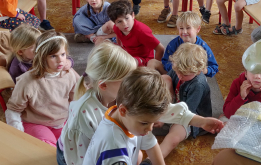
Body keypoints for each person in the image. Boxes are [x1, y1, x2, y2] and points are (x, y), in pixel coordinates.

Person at [58, 41, 224, 165]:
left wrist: (200, 121)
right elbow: (80, 158)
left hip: (108, 148)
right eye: (127, 80)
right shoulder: (84, 114)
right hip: (74, 156)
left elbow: (159, 110)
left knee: (137, 155)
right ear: (104, 85)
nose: (133, 83)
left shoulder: (121, 93)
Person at [83, 68, 170, 165]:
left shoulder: (129, 119)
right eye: (145, 123)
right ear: (123, 111)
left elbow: (152, 145)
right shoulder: (114, 148)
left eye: (153, 122)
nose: (150, 128)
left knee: (139, 155)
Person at [6, 31, 79, 147]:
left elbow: (76, 99)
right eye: (53, 56)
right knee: (47, 149)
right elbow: (13, 109)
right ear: (42, 57)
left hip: (61, 121)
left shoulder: (70, 74)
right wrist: (17, 132)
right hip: (36, 123)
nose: (60, 60)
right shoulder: (27, 81)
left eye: (63, 54)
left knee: (74, 146)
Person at [160, 43, 212, 158]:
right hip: (177, 103)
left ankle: (152, 159)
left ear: (198, 71)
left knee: (173, 137)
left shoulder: (198, 85)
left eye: (184, 74)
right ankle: (163, 107)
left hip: (190, 116)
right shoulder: (179, 69)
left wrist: (164, 117)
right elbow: (169, 80)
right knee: (164, 78)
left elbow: (187, 113)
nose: (179, 76)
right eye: (177, 71)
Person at [148, 11, 218, 77]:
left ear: (198, 29)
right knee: (152, 62)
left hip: (192, 79)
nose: (184, 31)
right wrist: (174, 66)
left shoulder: (203, 46)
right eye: (181, 28)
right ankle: (151, 85)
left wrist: (204, 70)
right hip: (175, 74)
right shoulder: (173, 44)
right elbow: (165, 61)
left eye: (188, 28)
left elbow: (214, 67)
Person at [107, 0, 165, 68]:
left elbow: (160, 48)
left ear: (133, 15)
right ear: (115, 23)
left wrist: (154, 68)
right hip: (129, 55)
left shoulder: (141, 31)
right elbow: (118, 37)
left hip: (144, 60)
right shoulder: (116, 28)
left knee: (126, 64)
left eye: (127, 18)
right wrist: (121, 50)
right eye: (119, 21)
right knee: (105, 50)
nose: (125, 24)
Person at [8, 24, 74, 83]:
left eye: (40, 46)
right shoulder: (17, 68)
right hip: (39, 87)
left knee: (71, 71)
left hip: (52, 79)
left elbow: (59, 54)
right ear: (20, 52)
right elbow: (21, 86)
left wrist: (69, 62)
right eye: (35, 48)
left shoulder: (38, 54)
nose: (40, 49)